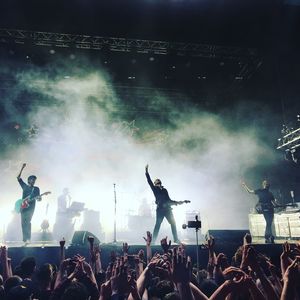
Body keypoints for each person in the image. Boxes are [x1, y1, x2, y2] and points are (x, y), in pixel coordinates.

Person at [145, 164, 180, 244]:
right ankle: (153, 240)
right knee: (158, 224)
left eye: (158, 181)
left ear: (160, 183)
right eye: (156, 182)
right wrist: (147, 172)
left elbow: (169, 199)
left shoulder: (165, 190)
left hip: (167, 209)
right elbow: (149, 182)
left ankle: (176, 239)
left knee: (173, 223)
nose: (157, 182)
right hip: (160, 210)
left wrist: (176, 203)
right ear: (155, 184)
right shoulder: (154, 189)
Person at [17, 163, 41, 245]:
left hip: (31, 208)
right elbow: (18, 178)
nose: (33, 181)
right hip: (23, 207)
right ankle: (25, 239)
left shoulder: (36, 189)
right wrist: (22, 168)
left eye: (34, 180)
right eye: (32, 179)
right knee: (23, 223)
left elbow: (39, 199)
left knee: (28, 222)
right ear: (29, 180)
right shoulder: (25, 186)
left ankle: (28, 239)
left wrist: (39, 198)